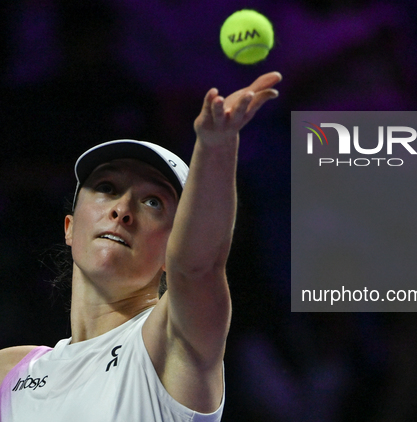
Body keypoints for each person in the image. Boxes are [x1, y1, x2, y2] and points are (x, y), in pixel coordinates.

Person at [0, 71, 282, 421]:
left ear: (173, 247)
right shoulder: (10, 371)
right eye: (106, 187)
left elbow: (198, 269)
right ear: (69, 227)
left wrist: (215, 146)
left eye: (153, 202)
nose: (122, 209)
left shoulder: (171, 343)